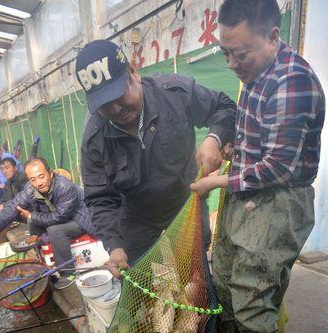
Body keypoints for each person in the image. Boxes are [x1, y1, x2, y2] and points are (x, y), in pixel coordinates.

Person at [190, 1, 325, 333]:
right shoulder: (255, 72)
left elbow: (279, 169)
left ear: (272, 36)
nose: (232, 62)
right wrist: (231, 145)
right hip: (245, 191)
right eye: (224, 52)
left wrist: (216, 181)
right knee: (224, 280)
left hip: (279, 201)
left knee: (252, 296)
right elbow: (260, 141)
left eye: (240, 53)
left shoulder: (292, 82)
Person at [77, 39, 236, 277]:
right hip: (136, 216)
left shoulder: (174, 93)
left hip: (186, 201)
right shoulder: (94, 138)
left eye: (120, 95)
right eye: (105, 105)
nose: (117, 110)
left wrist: (214, 138)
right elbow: (100, 198)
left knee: (194, 274)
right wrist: (114, 245)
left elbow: (225, 107)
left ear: (134, 72)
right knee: (136, 278)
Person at [0, 157, 95, 289]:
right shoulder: (30, 188)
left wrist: (32, 215)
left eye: (41, 176)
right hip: (59, 216)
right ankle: (43, 256)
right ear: (29, 180)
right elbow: (12, 208)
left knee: (55, 230)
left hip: (80, 218)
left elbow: (60, 217)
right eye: (33, 179)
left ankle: (68, 273)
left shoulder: (65, 187)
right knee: (32, 222)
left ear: (50, 173)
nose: (38, 183)